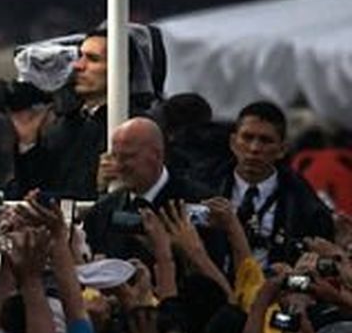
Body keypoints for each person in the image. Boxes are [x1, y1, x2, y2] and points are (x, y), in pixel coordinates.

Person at [212, 101, 333, 265]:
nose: (254, 148)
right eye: (247, 137)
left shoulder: (305, 205)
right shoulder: (205, 188)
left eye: (266, 140)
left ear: (282, 150)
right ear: (233, 142)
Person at [82, 118, 215, 263]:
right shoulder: (103, 211)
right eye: (114, 156)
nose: (118, 166)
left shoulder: (198, 204)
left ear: (156, 155)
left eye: (127, 157)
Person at [11, 31, 109, 199]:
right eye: (79, 57)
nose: (78, 66)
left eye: (92, 59)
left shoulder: (135, 125)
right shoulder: (66, 124)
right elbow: (30, 191)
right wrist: (29, 143)